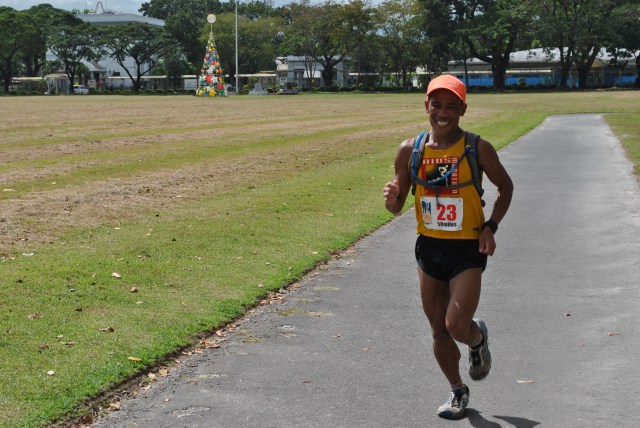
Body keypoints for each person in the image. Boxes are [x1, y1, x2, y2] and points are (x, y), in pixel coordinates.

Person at [383, 75, 513, 420]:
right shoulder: (410, 151)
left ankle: (476, 338)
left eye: (451, 106)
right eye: (436, 105)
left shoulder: (477, 148)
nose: (443, 113)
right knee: (438, 329)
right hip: (429, 249)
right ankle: (457, 390)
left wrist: (490, 227)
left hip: (467, 249)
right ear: (426, 106)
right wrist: (392, 198)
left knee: (456, 324)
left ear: (463, 110)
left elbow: (506, 186)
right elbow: (395, 206)